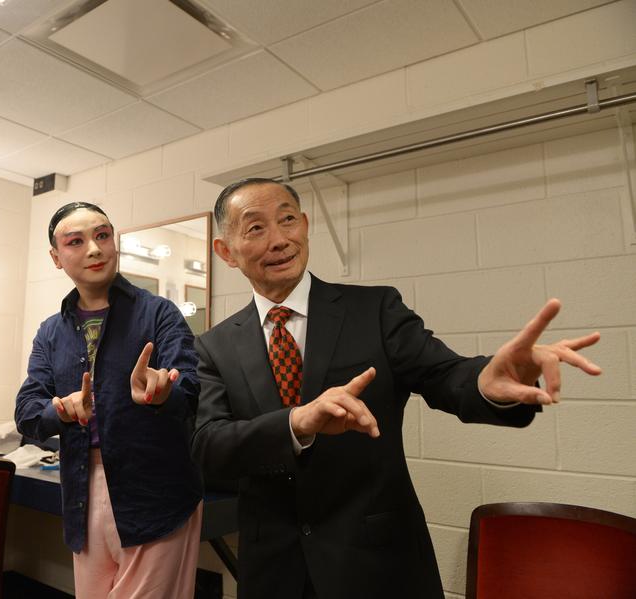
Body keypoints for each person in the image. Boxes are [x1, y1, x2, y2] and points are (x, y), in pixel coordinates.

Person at [191, 178, 602, 599]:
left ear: (306, 226)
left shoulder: (376, 310)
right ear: (226, 251)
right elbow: (208, 447)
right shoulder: (213, 346)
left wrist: (491, 381)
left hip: (378, 565)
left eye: (288, 220)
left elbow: (445, 376)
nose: (279, 240)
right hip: (274, 574)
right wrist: (295, 423)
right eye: (256, 228)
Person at [15, 202, 204, 598]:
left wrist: (161, 391)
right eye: (76, 241)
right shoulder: (50, 333)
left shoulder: (160, 314)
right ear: (56, 257)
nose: (95, 249)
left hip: (155, 492)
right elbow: (28, 414)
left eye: (102, 236)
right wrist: (61, 409)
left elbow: (189, 392)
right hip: (82, 494)